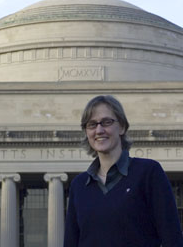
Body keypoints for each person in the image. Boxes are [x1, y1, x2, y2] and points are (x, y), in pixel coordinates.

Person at [64, 95, 183, 247]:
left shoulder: (148, 173)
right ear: (87, 132)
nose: (99, 130)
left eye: (107, 122)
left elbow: (172, 238)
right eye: (92, 124)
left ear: (122, 127)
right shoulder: (79, 185)